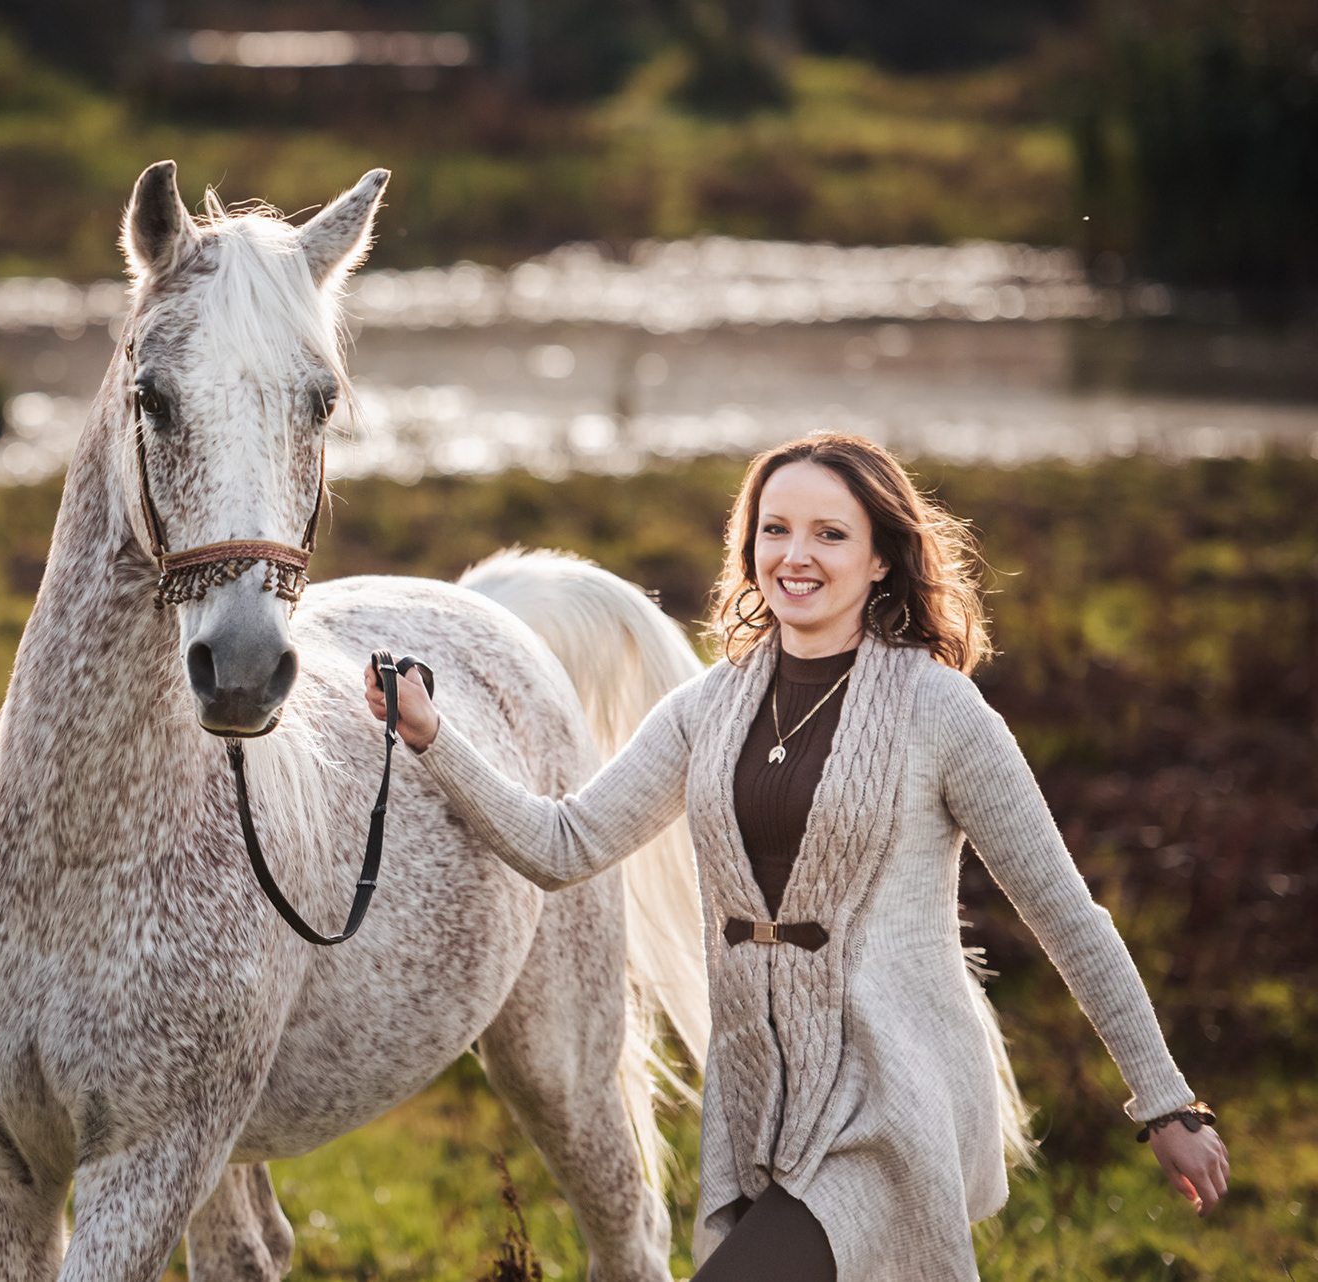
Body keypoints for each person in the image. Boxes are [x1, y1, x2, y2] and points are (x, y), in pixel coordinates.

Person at [364, 433, 1227, 1281]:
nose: (795, 555)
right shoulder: (707, 706)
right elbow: (565, 845)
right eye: (774, 529)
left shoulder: (942, 712)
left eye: (830, 534)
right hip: (761, 1103)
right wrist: (433, 736)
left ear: (881, 559)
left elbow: (1065, 914)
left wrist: (1165, 1103)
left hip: (891, 1101)